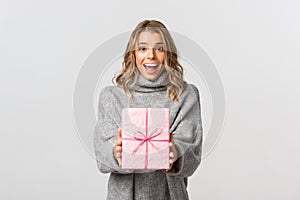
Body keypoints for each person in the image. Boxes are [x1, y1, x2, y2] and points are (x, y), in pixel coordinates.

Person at [94, 19, 203, 200]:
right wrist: (116, 153)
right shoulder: (112, 96)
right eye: (142, 48)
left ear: (168, 54)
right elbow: (102, 155)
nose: (151, 55)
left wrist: (175, 152)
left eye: (159, 48)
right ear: (133, 54)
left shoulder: (187, 95)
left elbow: (192, 156)